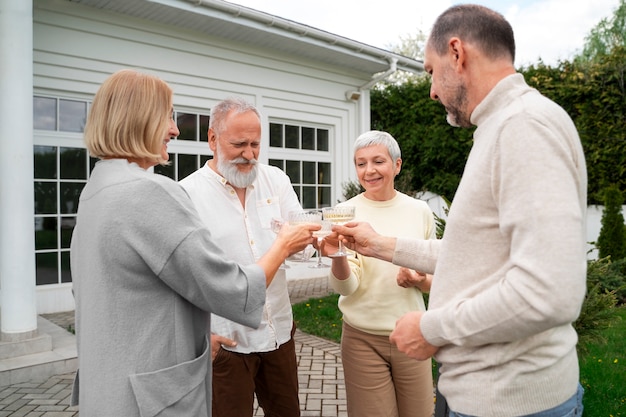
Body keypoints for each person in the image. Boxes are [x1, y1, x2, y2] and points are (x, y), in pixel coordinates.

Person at [332, 5, 587, 417]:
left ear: (457, 53)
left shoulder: (523, 127)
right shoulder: (501, 127)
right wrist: (380, 245)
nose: (432, 90)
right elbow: (477, 253)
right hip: (484, 396)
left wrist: (432, 328)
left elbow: (550, 292)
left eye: (431, 71)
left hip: (512, 403)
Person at [69, 69, 318, 417]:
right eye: (167, 116)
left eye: (255, 144)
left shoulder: (95, 191)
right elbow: (232, 290)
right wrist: (282, 245)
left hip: (110, 386)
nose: (173, 129)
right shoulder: (154, 192)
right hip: (150, 395)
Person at [179, 97, 305, 417]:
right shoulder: (186, 195)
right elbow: (181, 278)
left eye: (255, 144)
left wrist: (320, 243)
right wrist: (200, 335)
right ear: (212, 139)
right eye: (239, 144)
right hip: (228, 344)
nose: (249, 155)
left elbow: (301, 238)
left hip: (278, 333)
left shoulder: (275, 180)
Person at [323, 130, 435, 417]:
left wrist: (420, 279)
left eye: (378, 161)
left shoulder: (420, 211)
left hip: (412, 335)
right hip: (362, 340)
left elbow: (435, 278)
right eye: (361, 163)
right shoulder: (345, 212)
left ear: (396, 165)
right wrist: (337, 255)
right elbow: (346, 287)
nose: (369, 170)